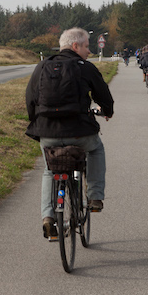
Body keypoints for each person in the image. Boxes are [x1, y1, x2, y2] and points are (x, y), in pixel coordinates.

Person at [26, 27, 115, 239]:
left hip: (47, 132)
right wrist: (107, 112)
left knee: (50, 169)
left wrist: (36, 121)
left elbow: (30, 98)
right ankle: (94, 197)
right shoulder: (85, 67)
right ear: (75, 46)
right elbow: (104, 95)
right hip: (79, 133)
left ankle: (48, 217)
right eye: (86, 46)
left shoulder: (42, 66)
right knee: (96, 150)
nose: (89, 51)